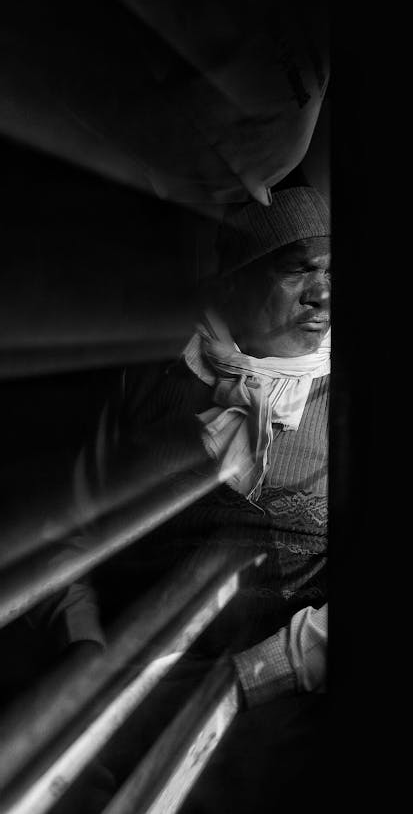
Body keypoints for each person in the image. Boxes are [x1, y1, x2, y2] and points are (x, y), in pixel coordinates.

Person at [38, 184, 332, 811]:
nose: (323, 294)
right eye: (296, 268)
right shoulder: (151, 381)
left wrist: (254, 675)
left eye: (335, 270)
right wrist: (86, 652)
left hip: (281, 699)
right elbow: (74, 535)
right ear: (234, 281)